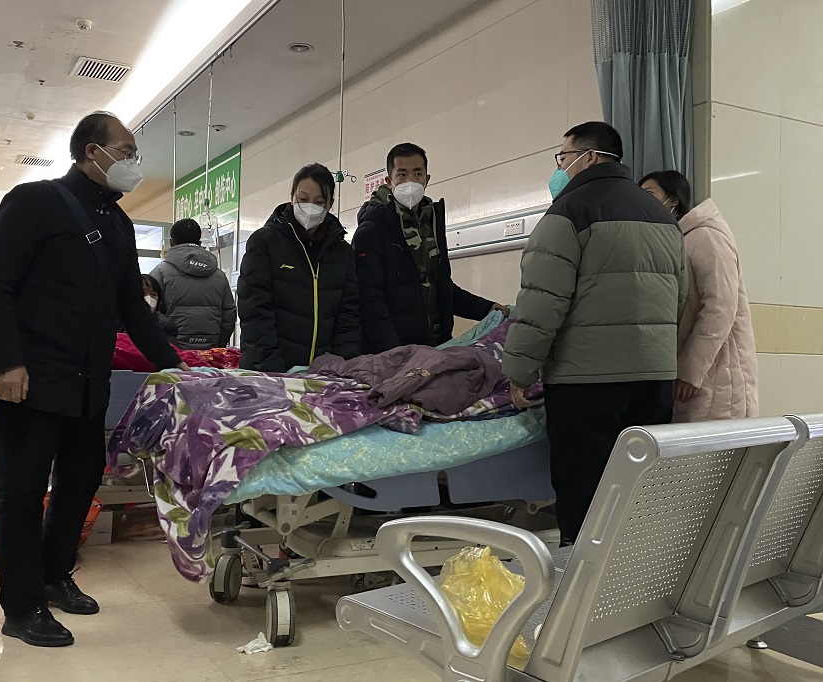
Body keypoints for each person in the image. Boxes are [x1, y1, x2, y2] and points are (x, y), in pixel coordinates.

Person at [0, 111, 187, 648]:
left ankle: (53, 574)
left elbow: (130, 308)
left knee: (78, 484)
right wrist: (5, 362)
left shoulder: (117, 222)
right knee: (23, 494)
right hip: (30, 379)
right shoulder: (35, 201)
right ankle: (20, 608)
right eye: (127, 150)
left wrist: (175, 362)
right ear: (93, 151)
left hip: (88, 384)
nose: (133, 162)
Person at [503, 121, 687, 546]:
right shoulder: (663, 216)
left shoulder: (567, 213)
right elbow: (679, 298)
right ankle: (634, 590)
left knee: (585, 493)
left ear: (588, 157)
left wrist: (520, 370)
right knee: (640, 491)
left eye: (562, 158)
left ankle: (581, 601)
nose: (560, 168)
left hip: (586, 381)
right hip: (653, 380)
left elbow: (542, 302)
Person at [353, 143, 510, 354]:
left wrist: (487, 309)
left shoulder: (432, 225)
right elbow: (369, 301)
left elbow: (442, 288)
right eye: (402, 174)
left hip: (436, 349)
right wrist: (395, 354)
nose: (410, 181)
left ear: (427, 179)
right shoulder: (372, 229)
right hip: (391, 354)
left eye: (417, 173)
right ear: (389, 182)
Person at [640, 170, 759, 422]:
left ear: (673, 200)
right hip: (693, 379)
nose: (642, 201)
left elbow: (721, 306)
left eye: (649, 194)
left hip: (717, 379)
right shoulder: (677, 239)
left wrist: (690, 370)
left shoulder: (706, 235)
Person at [237, 163, 361, 371]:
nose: (310, 207)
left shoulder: (342, 252)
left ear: (330, 204)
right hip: (270, 369)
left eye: (319, 202)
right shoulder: (264, 242)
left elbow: (349, 314)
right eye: (303, 199)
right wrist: (270, 367)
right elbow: (254, 310)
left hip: (324, 375)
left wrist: (341, 365)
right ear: (292, 196)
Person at [150, 218, 237, 349]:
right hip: (210, 350)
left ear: (171, 242)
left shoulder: (160, 272)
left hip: (172, 352)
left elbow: (148, 312)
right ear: (200, 242)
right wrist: (219, 345)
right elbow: (229, 314)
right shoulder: (219, 275)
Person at [141, 273, 179, 340]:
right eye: (143, 293)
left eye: (153, 294)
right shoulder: (118, 321)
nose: (148, 298)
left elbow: (169, 348)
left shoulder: (165, 325)